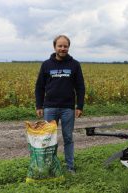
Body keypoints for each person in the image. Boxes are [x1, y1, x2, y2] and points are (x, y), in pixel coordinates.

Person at [35, 35, 85, 174]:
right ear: (54, 47)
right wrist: (39, 106)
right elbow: (39, 87)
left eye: (65, 46)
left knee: (68, 138)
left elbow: (80, 87)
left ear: (68, 47)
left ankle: (70, 167)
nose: (63, 48)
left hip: (68, 108)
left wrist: (79, 106)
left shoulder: (75, 64)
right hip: (49, 107)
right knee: (48, 139)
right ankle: (50, 167)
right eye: (60, 46)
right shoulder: (46, 64)